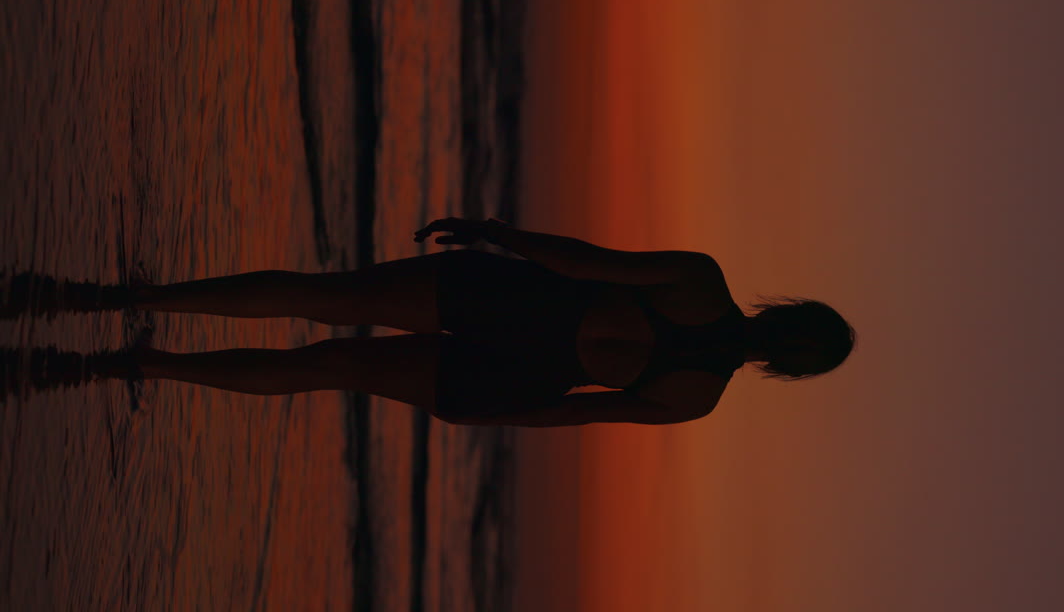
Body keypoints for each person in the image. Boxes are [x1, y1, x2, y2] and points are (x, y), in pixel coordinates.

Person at [20, 219, 856, 426]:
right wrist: (490, 413)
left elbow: (579, 261)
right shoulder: (694, 400)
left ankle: (113, 301)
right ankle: (141, 365)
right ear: (791, 366)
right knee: (326, 367)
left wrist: (497, 235)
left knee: (323, 297)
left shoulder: (700, 281)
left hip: (516, 305)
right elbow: (568, 415)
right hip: (515, 378)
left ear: (788, 314)